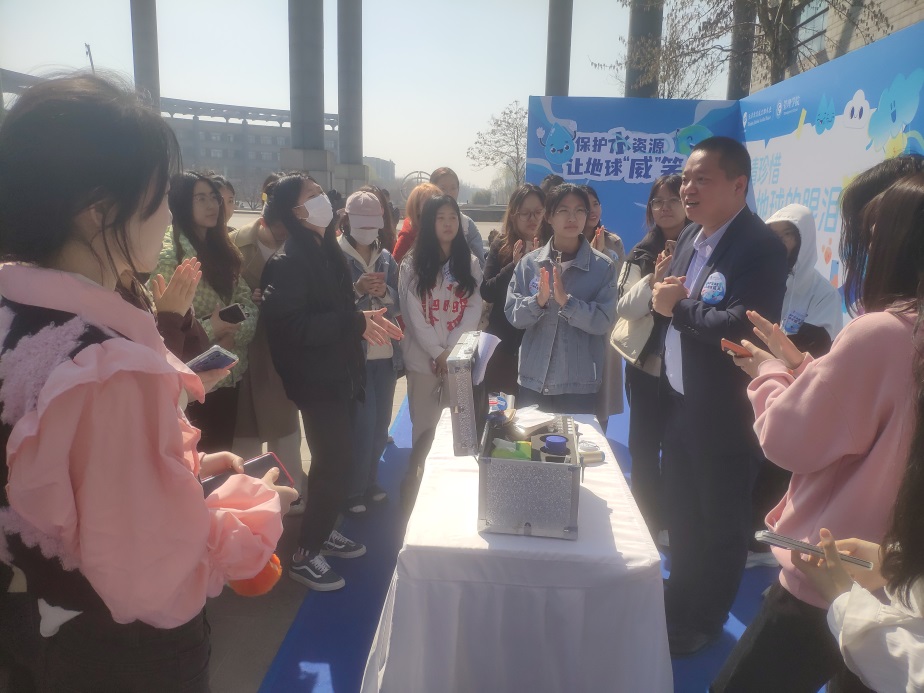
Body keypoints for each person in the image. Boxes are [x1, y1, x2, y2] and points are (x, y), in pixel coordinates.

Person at [0, 73, 296, 692]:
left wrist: (176, 467)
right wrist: (251, 509)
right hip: (119, 650)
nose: (167, 215)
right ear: (101, 209)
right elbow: (150, 566)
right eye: (160, 196)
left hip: (30, 618)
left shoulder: (17, 314)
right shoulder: (107, 364)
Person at [712, 169, 924, 691]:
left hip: (831, 571)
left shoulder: (883, 331)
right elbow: (882, 419)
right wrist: (807, 370)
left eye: (872, 237)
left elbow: (788, 438)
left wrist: (769, 373)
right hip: (902, 581)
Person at [651, 136, 788, 656]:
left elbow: (743, 327)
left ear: (738, 185)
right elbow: (676, 300)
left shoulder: (760, 247)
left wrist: (678, 308)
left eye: (701, 179)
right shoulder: (692, 235)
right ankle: (679, 598)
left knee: (720, 524)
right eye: (686, 178)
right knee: (684, 513)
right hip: (682, 404)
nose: (688, 188)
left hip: (726, 417)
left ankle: (704, 620)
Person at [261, 174, 402, 591]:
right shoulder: (288, 262)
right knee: (331, 462)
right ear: (295, 211)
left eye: (321, 192)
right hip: (315, 381)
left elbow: (340, 312)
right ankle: (305, 553)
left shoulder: (325, 250)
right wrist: (353, 322)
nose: (322, 198)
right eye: (312, 195)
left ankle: (322, 532)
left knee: (341, 459)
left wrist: (360, 319)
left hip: (341, 374)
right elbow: (293, 328)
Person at [747, 203, 845, 568]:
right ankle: (746, 535)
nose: (779, 242)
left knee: (778, 471)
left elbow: (819, 345)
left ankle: (766, 548)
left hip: (794, 394)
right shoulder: (758, 277)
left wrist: (779, 351)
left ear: (803, 241)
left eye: (788, 234)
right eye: (772, 235)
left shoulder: (821, 292)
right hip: (755, 385)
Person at [152, 171, 259, 453]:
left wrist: (232, 334)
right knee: (196, 459)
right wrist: (212, 329)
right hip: (191, 380)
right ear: (179, 202)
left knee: (222, 454)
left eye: (214, 197)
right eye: (200, 198)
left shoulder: (224, 248)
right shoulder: (169, 255)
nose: (212, 205)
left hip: (227, 374)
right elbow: (161, 322)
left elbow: (248, 306)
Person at [614, 174, 686, 539]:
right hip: (647, 367)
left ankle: (674, 520)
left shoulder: (703, 248)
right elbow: (624, 307)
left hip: (688, 370)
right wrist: (653, 280)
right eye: (658, 201)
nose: (665, 208)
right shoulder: (641, 253)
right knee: (643, 446)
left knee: (679, 449)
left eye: (673, 200)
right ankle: (647, 521)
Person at [506, 184, 619, 415]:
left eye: (579, 211)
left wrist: (568, 303)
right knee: (533, 439)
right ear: (549, 216)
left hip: (578, 385)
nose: (572, 218)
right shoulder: (529, 264)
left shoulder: (602, 267)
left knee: (575, 439)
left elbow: (605, 321)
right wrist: (538, 302)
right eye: (563, 210)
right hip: (533, 381)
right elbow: (514, 314)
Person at [228, 174, 306, 508]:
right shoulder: (233, 245)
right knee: (243, 439)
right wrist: (248, 302)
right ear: (264, 222)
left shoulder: (302, 247)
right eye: (279, 232)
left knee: (285, 434)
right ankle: (246, 504)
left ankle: (292, 500)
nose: (284, 238)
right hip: (242, 354)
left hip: (280, 354)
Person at [398, 194, 482, 499]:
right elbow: (413, 316)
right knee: (424, 426)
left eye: (453, 217)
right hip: (423, 362)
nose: (448, 224)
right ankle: (419, 486)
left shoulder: (469, 263)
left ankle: (452, 488)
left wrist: (451, 352)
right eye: (440, 218)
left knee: (457, 425)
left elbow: (473, 307)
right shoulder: (411, 265)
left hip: (457, 362)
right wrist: (437, 352)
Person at [339, 190, 402, 514]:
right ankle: (352, 491)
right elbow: (331, 307)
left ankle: (370, 482)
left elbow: (400, 301)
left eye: (372, 225)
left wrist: (385, 291)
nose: (367, 232)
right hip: (355, 356)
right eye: (361, 224)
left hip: (385, 354)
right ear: (347, 221)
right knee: (361, 426)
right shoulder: (335, 256)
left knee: (379, 426)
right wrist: (357, 290)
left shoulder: (387, 258)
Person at [480, 184, 544, 394]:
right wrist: (514, 267)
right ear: (513, 215)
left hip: (540, 347)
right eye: (525, 213)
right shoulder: (501, 245)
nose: (532, 218)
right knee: (502, 407)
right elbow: (487, 291)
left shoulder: (553, 247)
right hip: (503, 346)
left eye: (538, 212)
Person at [580, 184, 626, 427]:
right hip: (577, 321)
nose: (592, 210)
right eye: (585, 206)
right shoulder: (568, 241)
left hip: (605, 324)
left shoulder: (613, 242)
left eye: (595, 204)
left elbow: (620, 283)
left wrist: (603, 255)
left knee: (602, 396)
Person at [429, 167, 486, 266]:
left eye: (453, 188)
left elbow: (480, 264)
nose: (448, 193)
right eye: (443, 188)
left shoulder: (467, 225)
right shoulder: (422, 221)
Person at [392, 182, 441, 264]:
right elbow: (395, 265)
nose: (434, 208)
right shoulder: (408, 236)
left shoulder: (443, 230)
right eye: (428, 204)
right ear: (416, 207)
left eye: (437, 204)